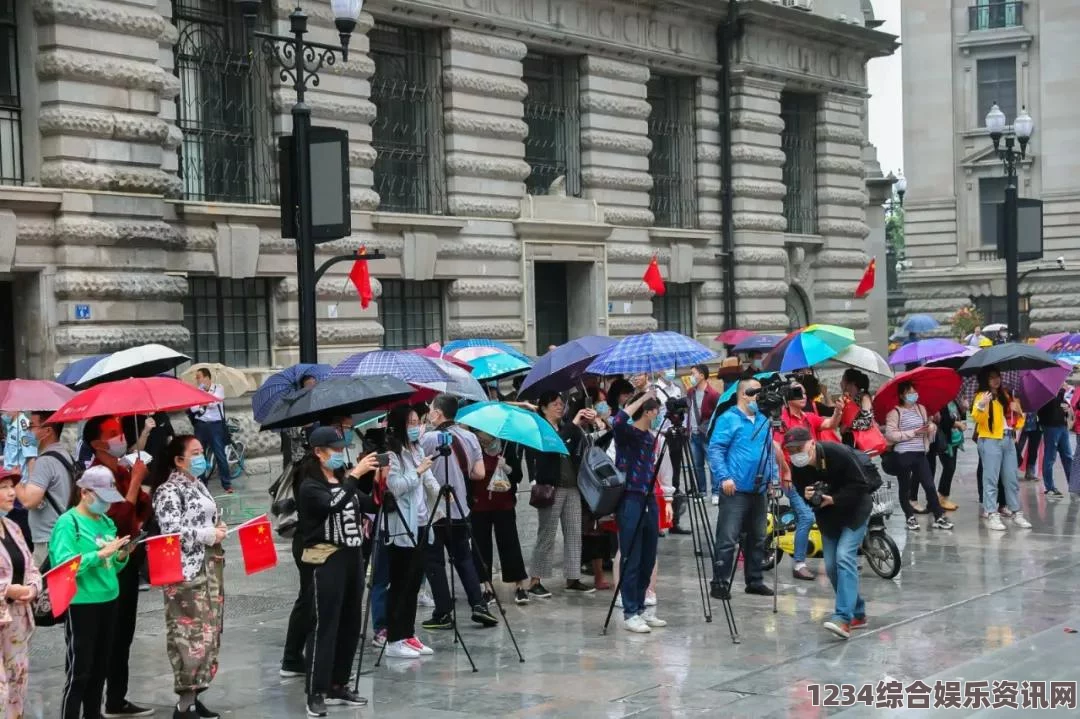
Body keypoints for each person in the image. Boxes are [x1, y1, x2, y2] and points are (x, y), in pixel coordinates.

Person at [296, 427, 379, 716]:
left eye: (341, 447)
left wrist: (381, 477)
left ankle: (338, 683)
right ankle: (315, 691)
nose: (339, 452)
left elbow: (369, 505)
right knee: (324, 625)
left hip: (352, 555)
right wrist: (356, 474)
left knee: (350, 623)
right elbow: (333, 505)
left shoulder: (343, 478)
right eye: (333, 448)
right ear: (318, 452)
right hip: (326, 558)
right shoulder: (309, 485)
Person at [148, 436, 226, 719]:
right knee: (189, 633)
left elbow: (201, 520)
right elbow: (170, 531)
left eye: (201, 452)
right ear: (178, 460)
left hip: (209, 566)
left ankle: (196, 693)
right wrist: (207, 534)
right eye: (194, 453)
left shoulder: (197, 484)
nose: (200, 457)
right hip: (185, 572)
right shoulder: (168, 490)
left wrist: (216, 527)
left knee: (208, 632)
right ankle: (185, 701)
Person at [81, 416, 154, 718]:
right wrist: (135, 482)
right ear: (97, 443)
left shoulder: (120, 468)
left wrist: (135, 478)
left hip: (127, 559)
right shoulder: (96, 476)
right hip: (107, 564)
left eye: (120, 432)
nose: (120, 437)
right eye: (112, 434)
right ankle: (98, 703)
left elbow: (141, 509)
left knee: (124, 633)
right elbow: (118, 519)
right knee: (109, 636)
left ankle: (117, 698)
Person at [50, 465, 132, 719]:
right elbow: (63, 565)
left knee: (99, 669)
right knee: (80, 671)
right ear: (85, 493)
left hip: (109, 598)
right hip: (82, 602)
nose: (107, 506)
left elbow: (112, 565)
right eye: (103, 499)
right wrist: (99, 555)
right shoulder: (68, 523)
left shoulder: (106, 521)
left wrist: (120, 556)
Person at [782, 427, 878, 640]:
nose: (796, 453)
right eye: (791, 450)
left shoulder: (837, 453)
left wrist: (834, 498)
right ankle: (858, 612)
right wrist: (807, 495)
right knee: (832, 566)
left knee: (845, 557)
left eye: (799, 447)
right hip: (828, 517)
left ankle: (843, 618)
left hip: (855, 510)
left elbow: (861, 485)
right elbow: (802, 492)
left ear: (812, 443)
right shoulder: (798, 466)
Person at [418, 395, 499, 629]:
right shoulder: (470, 436)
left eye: (431, 409)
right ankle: (479, 606)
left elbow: (417, 465)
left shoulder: (428, 439)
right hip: (461, 509)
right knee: (464, 558)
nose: (429, 413)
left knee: (434, 562)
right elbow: (479, 473)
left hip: (434, 512)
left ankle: (443, 612)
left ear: (438, 414)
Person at [707, 378, 777, 600]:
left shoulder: (764, 420)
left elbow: (770, 452)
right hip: (734, 489)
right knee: (728, 539)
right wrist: (724, 477)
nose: (760, 396)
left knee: (757, 537)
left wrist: (772, 478)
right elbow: (716, 449)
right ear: (744, 394)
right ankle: (720, 581)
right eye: (756, 392)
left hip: (758, 489)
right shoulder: (728, 419)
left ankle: (754, 580)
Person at [611, 391, 672, 633]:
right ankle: (630, 612)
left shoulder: (652, 437)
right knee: (632, 556)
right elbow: (617, 420)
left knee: (648, 555)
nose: (658, 415)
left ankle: (642, 607)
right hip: (630, 498)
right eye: (656, 410)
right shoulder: (627, 434)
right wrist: (643, 395)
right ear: (647, 412)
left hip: (650, 498)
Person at [525, 392, 596, 598]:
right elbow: (556, 444)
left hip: (572, 485)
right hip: (551, 486)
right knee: (547, 533)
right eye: (555, 404)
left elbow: (577, 445)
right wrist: (573, 424)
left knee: (574, 532)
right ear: (544, 407)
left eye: (561, 404)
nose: (560, 407)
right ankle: (535, 580)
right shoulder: (541, 428)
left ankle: (572, 577)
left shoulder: (567, 426)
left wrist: (587, 424)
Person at [382, 405, 438, 659]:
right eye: (411, 422)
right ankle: (394, 638)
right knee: (401, 584)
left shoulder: (417, 449)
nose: (416, 427)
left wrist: (444, 494)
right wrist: (418, 471)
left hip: (422, 522)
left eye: (418, 421)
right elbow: (395, 486)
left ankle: (408, 633)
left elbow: (428, 481)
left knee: (415, 582)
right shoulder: (393, 455)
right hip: (403, 527)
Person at [774, 382, 842, 579]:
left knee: (827, 512)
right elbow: (776, 446)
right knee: (806, 516)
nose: (804, 396)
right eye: (798, 393)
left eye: (804, 392)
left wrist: (837, 412)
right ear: (788, 396)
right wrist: (785, 471)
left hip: (811, 475)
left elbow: (829, 424)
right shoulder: (783, 419)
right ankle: (799, 563)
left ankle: (837, 558)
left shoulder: (807, 417)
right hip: (792, 478)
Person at [883, 381, 954, 531]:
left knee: (929, 485)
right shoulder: (894, 413)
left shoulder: (921, 409)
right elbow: (890, 434)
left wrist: (931, 428)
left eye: (915, 392)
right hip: (902, 454)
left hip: (920, 453)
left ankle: (939, 516)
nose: (913, 395)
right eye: (909, 392)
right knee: (905, 487)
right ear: (902, 395)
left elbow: (929, 427)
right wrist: (913, 433)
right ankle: (909, 516)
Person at [470, 430, 529, 605]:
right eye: (479, 433)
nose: (481, 437)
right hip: (479, 504)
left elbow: (518, 475)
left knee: (510, 542)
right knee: (481, 546)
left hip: (504, 504)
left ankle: (519, 586)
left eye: (484, 434)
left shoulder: (507, 446)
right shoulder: (474, 448)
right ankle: (487, 587)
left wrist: (506, 467)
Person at [0, 468, 40, 718]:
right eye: (3, 487)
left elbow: (32, 567)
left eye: (11, 486)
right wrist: (6, 589)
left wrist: (33, 588)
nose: (11, 492)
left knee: (18, 682)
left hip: (16, 620)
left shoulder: (13, 526)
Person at [972, 367, 1032, 531]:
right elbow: (977, 419)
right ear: (986, 379)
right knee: (991, 479)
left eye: (997, 376)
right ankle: (991, 513)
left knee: (1011, 478)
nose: (995, 380)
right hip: (990, 440)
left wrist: (1018, 411)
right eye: (991, 378)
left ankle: (1016, 511)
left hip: (1008, 439)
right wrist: (982, 405)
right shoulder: (982, 396)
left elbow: (1018, 422)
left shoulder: (1006, 395)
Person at [17, 412, 75, 563]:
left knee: (40, 585)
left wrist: (14, 478)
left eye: (31, 427)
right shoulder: (64, 455)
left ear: (47, 431)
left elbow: (29, 501)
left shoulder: (46, 461)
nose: (27, 431)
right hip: (64, 534)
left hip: (49, 540)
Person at [190, 368, 232, 493]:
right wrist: (206, 399)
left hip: (215, 425)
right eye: (196, 378)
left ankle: (226, 484)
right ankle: (202, 484)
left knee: (220, 454)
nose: (197, 380)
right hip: (201, 425)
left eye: (199, 377)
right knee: (198, 455)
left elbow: (215, 401)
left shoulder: (218, 388)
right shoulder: (195, 391)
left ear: (207, 377)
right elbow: (193, 408)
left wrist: (203, 400)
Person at [920, 400, 965, 512]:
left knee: (950, 467)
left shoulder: (954, 400)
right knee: (949, 467)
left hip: (954, 439)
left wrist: (963, 409)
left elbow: (960, 415)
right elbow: (943, 421)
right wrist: (956, 424)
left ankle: (942, 497)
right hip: (944, 440)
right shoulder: (940, 402)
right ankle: (940, 497)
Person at [686, 364, 720, 501]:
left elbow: (718, 415)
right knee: (697, 465)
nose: (691, 377)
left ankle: (716, 492)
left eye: (693, 374)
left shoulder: (713, 394)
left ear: (701, 375)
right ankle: (701, 492)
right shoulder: (690, 392)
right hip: (693, 434)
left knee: (712, 464)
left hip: (706, 434)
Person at [1037, 385, 1071, 499]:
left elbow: (1064, 405)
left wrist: (1065, 407)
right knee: (1050, 457)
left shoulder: (1061, 391)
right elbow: (1040, 410)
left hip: (1062, 425)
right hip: (1050, 426)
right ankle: (1050, 487)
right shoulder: (1044, 390)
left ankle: (1074, 486)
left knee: (1067, 456)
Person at [1016, 411, 1042, 482]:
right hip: (1021, 422)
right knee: (1017, 447)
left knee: (1033, 449)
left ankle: (1030, 472)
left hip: (1037, 424)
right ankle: (1012, 470)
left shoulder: (1041, 400)